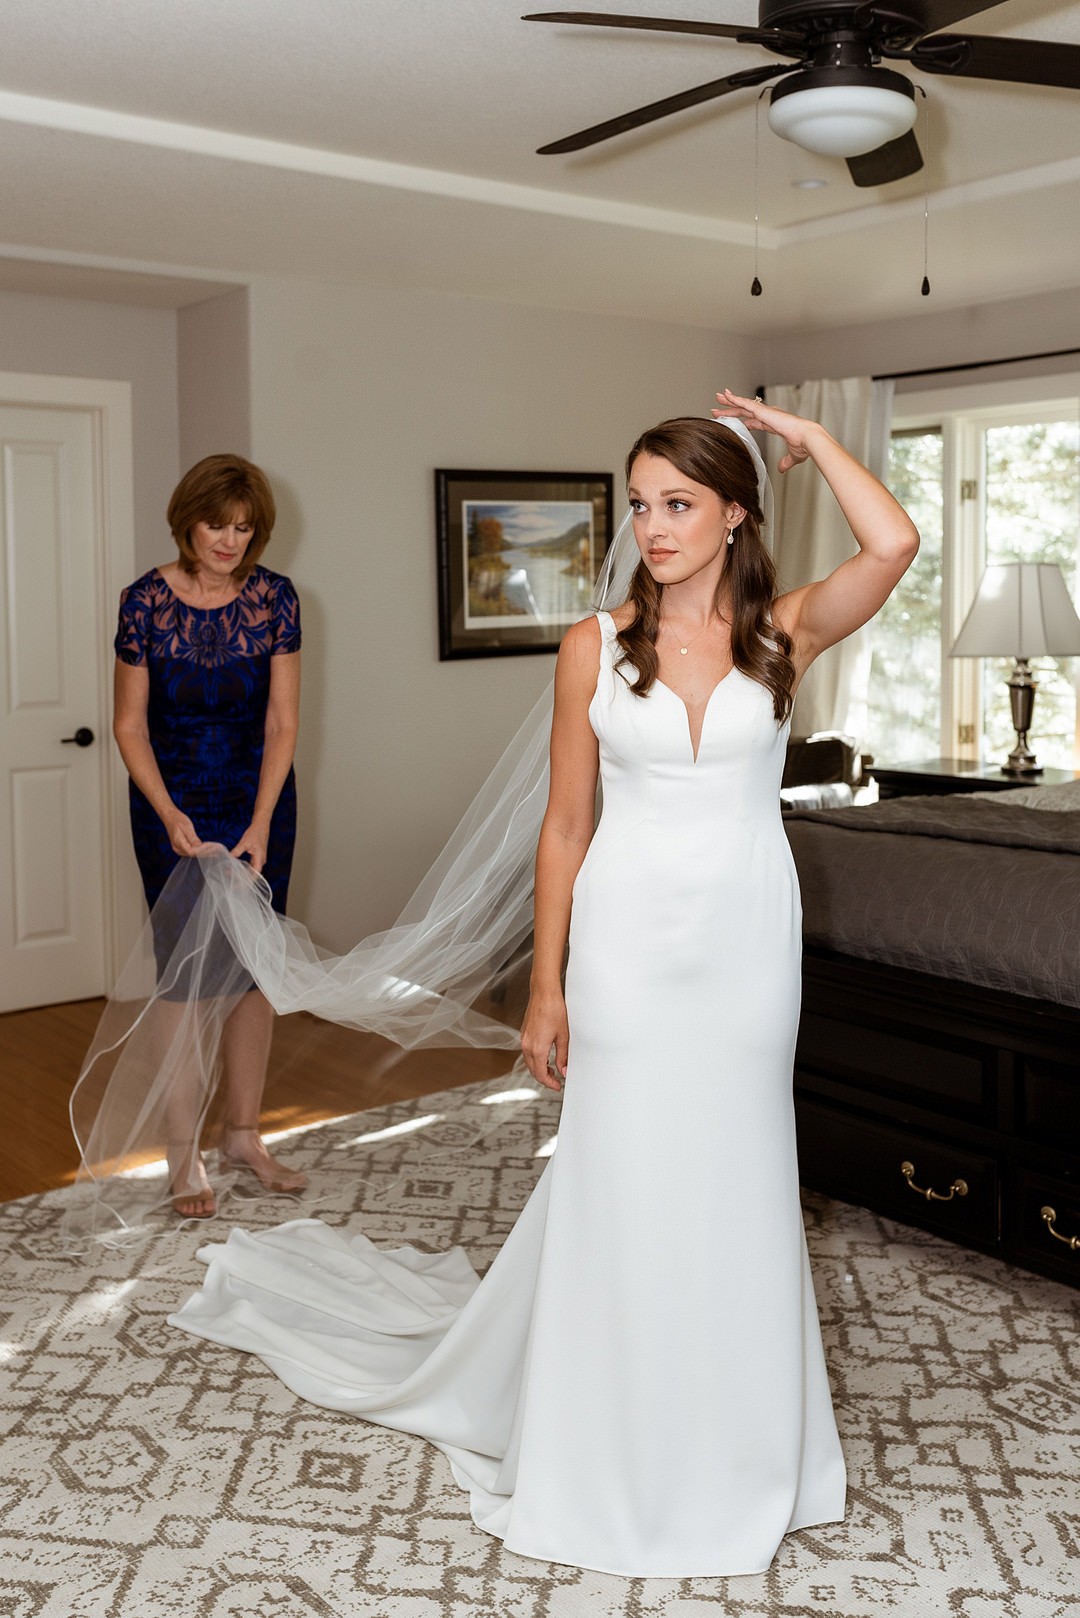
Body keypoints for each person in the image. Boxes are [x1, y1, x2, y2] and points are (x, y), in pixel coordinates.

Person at [169, 390, 918, 1578]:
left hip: (743, 946)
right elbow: (565, 829)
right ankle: (607, 1429)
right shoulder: (591, 644)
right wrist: (548, 986)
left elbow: (894, 546)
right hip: (624, 941)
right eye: (639, 504)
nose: (653, 526)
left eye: (679, 504)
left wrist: (815, 438)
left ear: (733, 514)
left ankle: (737, 1432)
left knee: (735, 1170)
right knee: (622, 1170)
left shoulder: (784, 631)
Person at [112, 453, 305, 1218]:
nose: (230, 540)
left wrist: (261, 819)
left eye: (244, 527)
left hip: (259, 806)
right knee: (184, 981)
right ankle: (181, 1154)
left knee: (254, 974)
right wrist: (166, 812)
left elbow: (283, 722)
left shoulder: (277, 600)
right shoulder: (144, 603)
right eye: (217, 524)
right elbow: (129, 726)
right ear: (186, 519)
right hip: (173, 809)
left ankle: (244, 1136)